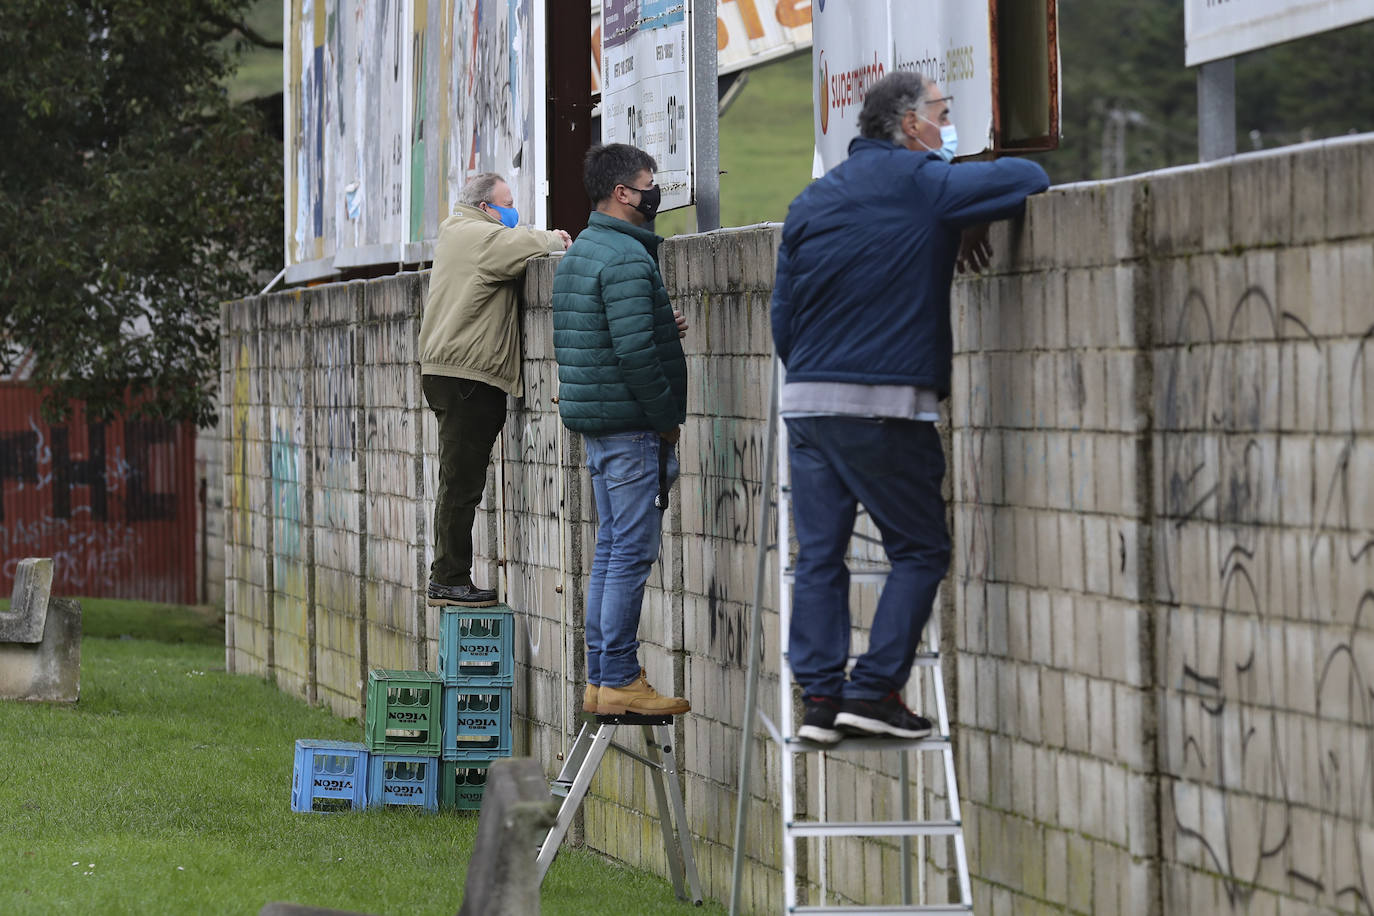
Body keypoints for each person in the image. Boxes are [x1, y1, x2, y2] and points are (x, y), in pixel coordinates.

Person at [772, 71, 1049, 743]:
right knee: (921, 550)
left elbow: (783, 314)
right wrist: (961, 207)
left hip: (806, 402)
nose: (946, 128)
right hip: (884, 404)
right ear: (910, 125)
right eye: (942, 115)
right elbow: (1029, 178)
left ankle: (819, 702)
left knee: (819, 557)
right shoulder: (922, 182)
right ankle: (873, 692)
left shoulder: (813, 198)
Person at [551, 143, 691, 717]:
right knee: (630, 553)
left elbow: (607, 335)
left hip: (601, 426)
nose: (655, 191)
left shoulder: (585, 251)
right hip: (633, 429)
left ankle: (601, 675)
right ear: (624, 193)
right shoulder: (629, 259)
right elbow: (633, 353)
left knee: (611, 551)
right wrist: (666, 421)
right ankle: (620, 678)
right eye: (648, 182)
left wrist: (661, 325)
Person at [420, 172, 571, 607]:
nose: (512, 211)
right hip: (467, 376)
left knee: (457, 480)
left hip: (451, 372)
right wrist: (555, 238)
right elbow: (527, 244)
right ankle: (448, 578)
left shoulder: (457, 232)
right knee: (461, 483)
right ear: (486, 207)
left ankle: (448, 575)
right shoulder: (480, 238)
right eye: (506, 203)